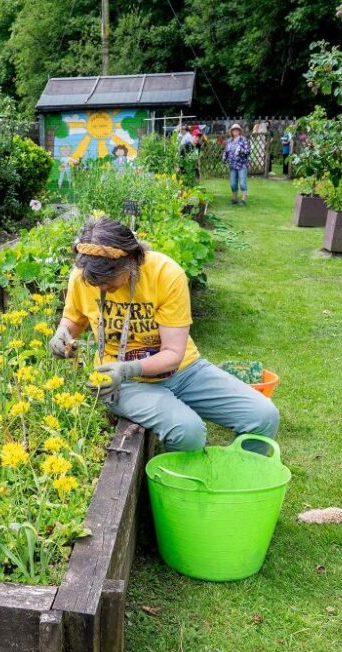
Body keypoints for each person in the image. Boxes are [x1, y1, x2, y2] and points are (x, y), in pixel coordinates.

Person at [47, 216, 278, 453]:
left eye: (108, 280)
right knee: (188, 432)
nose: (102, 288)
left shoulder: (166, 273)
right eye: (95, 283)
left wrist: (129, 367)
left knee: (263, 415)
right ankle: (179, 485)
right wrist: (62, 333)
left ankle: (242, 477)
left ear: (131, 261)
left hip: (182, 371)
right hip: (120, 381)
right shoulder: (84, 275)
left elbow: (173, 353)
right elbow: (74, 319)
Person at [222, 123, 251, 205]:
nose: (235, 131)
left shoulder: (243, 140)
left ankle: (243, 199)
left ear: (239, 131)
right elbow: (226, 151)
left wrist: (240, 151)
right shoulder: (229, 141)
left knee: (242, 183)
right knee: (233, 184)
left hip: (242, 165)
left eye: (237, 130)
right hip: (232, 165)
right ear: (231, 132)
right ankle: (234, 198)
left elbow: (248, 152)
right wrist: (224, 158)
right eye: (233, 130)